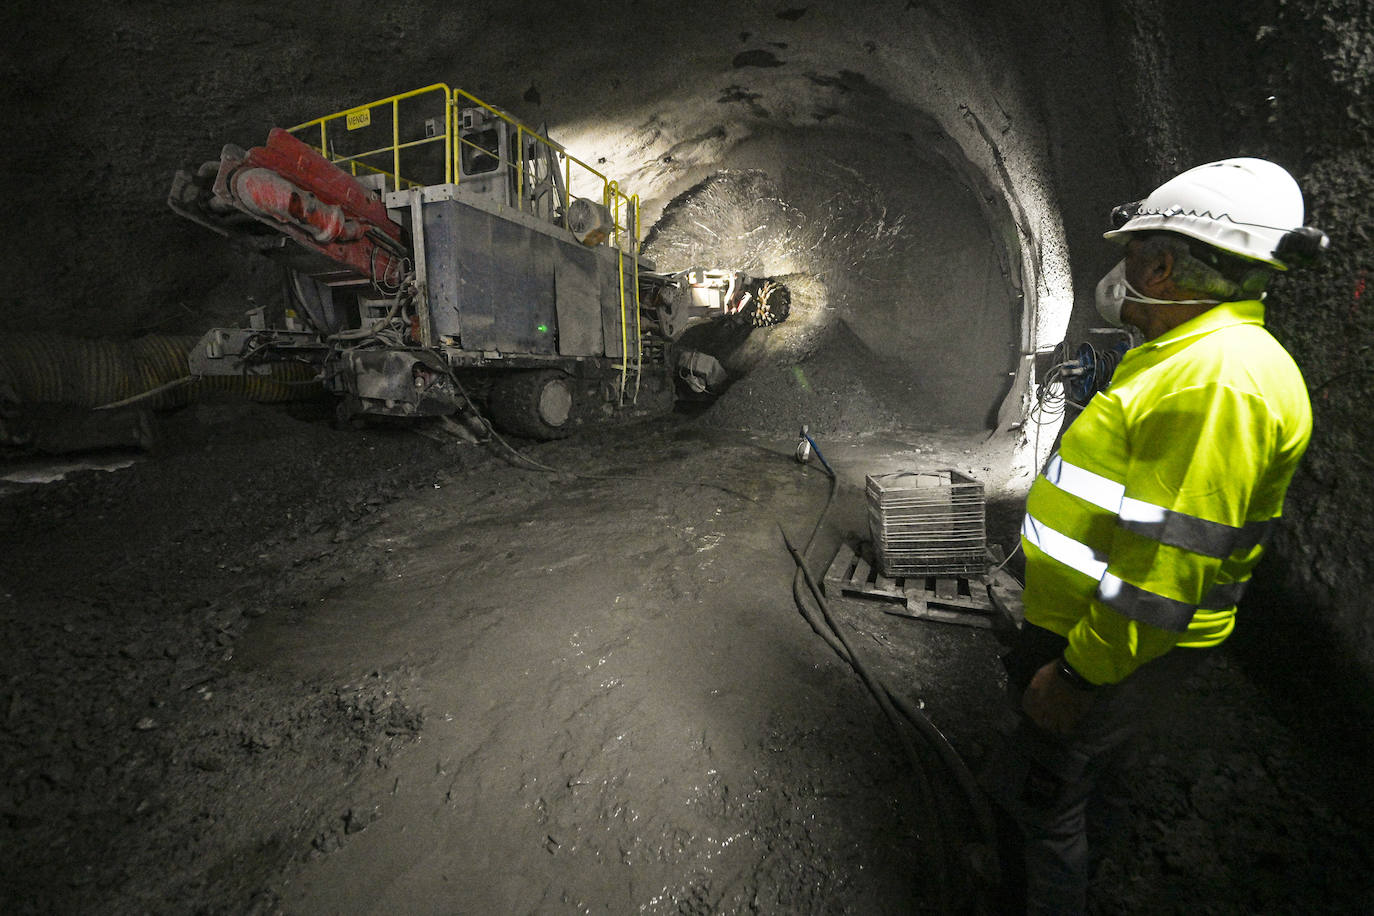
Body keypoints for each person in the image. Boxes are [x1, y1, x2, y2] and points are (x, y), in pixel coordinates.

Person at [983, 157, 1326, 914]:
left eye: (1133, 254)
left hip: (1104, 646)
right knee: (1090, 786)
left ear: (1164, 265)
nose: (1121, 272)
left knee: (1043, 804)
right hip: (1104, 639)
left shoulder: (1215, 381)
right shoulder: (1190, 360)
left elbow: (1162, 570)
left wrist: (1076, 677)